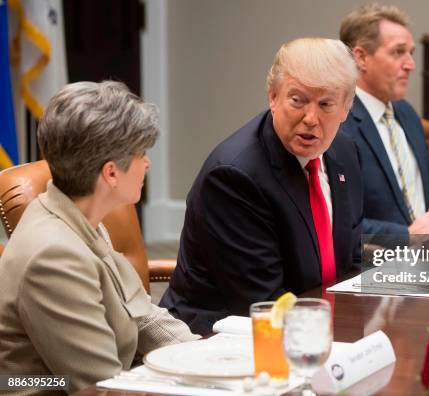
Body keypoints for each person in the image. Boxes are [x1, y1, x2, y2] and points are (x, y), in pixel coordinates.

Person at [0, 81, 199, 394]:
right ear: (110, 173)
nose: (147, 163)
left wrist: (206, 360)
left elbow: (142, 314)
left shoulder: (79, 215)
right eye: (141, 153)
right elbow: (102, 387)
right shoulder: (53, 258)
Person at [160, 38, 362, 335]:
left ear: (346, 109)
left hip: (314, 327)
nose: (310, 118)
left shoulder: (344, 151)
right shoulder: (234, 177)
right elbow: (264, 301)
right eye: (298, 100)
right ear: (272, 96)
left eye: (326, 104)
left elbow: (350, 262)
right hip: (221, 341)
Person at [339, 3, 429, 242]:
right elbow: (341, 223)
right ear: (360, 57)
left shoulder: (406, 113)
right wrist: (407, 235)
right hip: (375, 265)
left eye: (411, 53)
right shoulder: (340, 126)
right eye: (398, 52)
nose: (410, 65)